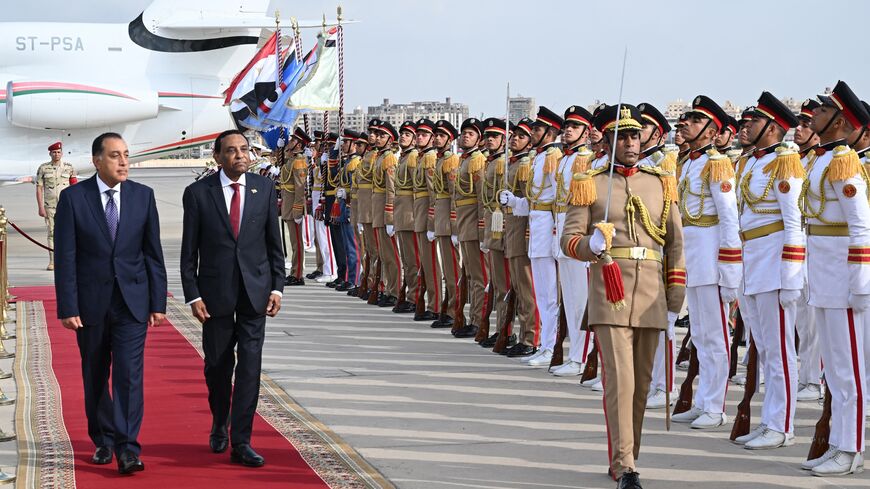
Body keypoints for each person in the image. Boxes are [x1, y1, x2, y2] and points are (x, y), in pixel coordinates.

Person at [560, 104, 684, 489]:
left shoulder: (660, 180)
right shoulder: (590, 182)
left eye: (635, 135)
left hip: (650, 294)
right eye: (622, 136)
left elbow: (676, 244)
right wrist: (590, 246)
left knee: (642, 385)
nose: (631, 142)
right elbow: (568, 240)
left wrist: (675, 300)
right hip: (609, 290)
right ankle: (625, 465)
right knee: (621, 382)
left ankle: (629, 455)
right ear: (608, 141)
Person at [54, 132, 167, 474]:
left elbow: (153, 254)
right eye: (116, 155)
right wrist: (68, 306)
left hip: (132, 301)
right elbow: (66, 257)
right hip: (90, 304)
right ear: (97, 160)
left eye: (126, 155)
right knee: (95, 373)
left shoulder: (143, 197)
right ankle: (103, 439)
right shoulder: (74, 199)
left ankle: (128, 448)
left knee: (129, 376)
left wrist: (157, 301)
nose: (123, 162)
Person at [180, 129, 284, 468]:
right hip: (215, 295)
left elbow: (274, 244)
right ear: (217, 157)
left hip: (256, 294)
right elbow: (188, 253)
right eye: (232, 150)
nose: (240, 155)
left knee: (250, 368)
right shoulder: (197, 194)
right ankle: (219, 420)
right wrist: (193, 294)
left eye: (244, 149)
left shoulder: (264, 188)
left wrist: (277, 287)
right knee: (218, 367)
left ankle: (242, 441)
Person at [801, 81, 870, 475]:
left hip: (844, 278)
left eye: (823, 111)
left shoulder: (844, 161)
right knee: (834, 368)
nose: (813, 116)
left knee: (849, 370)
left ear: (840, 119)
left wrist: (860, 281)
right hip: (824, 274)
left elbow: (861, 225)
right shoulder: (822, 159)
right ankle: (841, 442)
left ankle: (851, 447)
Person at [734, 92, 803, 450]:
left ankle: (782, 424)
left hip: (775, 265)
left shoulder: (785, 163)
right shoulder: (750, 163)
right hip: (752, 262)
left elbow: (794, 224)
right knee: (762, 347)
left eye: (755, 122)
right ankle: (770, 419)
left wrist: (791, 276)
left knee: (779, 351)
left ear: (773, 128)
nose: (747, 126)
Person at [671, 96, 741, 430]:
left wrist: (729, 268)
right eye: (685, 119)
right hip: (692, 258)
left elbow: (729, 219)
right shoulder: (689, 163)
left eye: (695, 120)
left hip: (712, 259)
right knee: (699, 334)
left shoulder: (717, 164)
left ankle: (715, 404)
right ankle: (701, 400)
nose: (685, 124)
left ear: (712, 131)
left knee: (715, 336)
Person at [500, 106, 563, 367]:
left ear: (550, 132)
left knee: (549, 295)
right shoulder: (539, 158)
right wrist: (514, 202)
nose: (532, 133)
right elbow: (534, 202)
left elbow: (560, 199)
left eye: (537, 129)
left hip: (548, 231)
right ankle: (545, 345)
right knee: (541, 293)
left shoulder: (553, 157)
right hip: (536, 229)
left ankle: (547, 344)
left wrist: (558, 231)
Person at [551, 105, 595, 376]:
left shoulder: (585, 159)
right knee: (569, 299)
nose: (568, 130)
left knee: (582, 300)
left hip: (579, 237)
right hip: (562, 232)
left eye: (575, 126)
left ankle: (583, 357)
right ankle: (575, 354)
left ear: (586, 132)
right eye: (566, 126)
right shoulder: (565, 159)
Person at [501, 118, 541, 357]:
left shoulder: (526, 165)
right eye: (514, 136)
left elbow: (530, 202)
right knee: (518, 286)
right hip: (511, 230)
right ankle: (526, 334)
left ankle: (531, 337)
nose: (515, 139)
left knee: (528, 290)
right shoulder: (513, 164)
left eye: (521, 136)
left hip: (523, 232)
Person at [793, 98, 823, 402]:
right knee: (802, 316)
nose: (800, 129)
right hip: (799, 245)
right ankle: (805, 376)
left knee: (813, 319)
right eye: (799, 124)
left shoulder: (821, 161)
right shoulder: (796, 160)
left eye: (806, 124)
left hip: (814, 244)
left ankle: (813, 379)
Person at [451, 117, 488, 339]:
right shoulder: (463, 160)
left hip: (474, 222)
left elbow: (482, 198)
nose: (466, 136)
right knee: (471, 276)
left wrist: (483, 229)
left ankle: (479, 320)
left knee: (479, 277)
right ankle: (473, 318)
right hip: (464, 223)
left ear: (479, 139)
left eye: (471, 133)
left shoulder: (477, 161)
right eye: (464, 132)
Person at [479, 117, 510, 346]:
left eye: (495, 136)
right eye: (488, 136)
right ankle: (499, 328)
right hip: (491, 223)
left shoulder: (502, 164)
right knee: (496, 282)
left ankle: (505, 329)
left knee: (504, 284)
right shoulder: (490, 163)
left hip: (502, 226)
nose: (490, 140)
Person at [429, 120, 461, 328]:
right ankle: (447, 307)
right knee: (447, 271)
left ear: (450, 139)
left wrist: (454, 226)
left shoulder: (450, 161)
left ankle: (453, 311)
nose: (437, 138)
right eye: (436, 135)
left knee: (452, 272)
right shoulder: (439, 161)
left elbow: (455, 196)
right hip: (440, 221)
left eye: (442, 135)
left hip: (449, 222)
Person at [412, 119, 442, 321]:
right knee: (425, 263)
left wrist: (431, 222)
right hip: (418, 213)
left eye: (424, 134)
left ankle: (436, 304)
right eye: (418, 134)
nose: (419, 137)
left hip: (427, 215)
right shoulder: (423, 158)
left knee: (432, 265)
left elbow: (433, 193)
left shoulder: (430, 158)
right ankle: (430, 302)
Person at [393, 121, 421, 313]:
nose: (403, 136)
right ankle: (410, 293)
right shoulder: (403, 158)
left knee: (414, 261)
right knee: (407, 260)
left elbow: (418, 188)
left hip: (411, 215)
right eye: (402, 133)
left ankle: (415, 297)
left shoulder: (412, 158)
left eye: (407, 134)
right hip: (401, 215)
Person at [36, 141, 77, 270]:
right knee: (51, 234)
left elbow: (75, 188)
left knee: (69, 233)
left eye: (58, 152)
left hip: (66, 206)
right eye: (54, 152)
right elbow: (39, 188)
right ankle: (53, 261)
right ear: (50, 153)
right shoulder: (43, 168)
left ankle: (68, 260)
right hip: (50, 206)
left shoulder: (69, 168)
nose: (56, 154)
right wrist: (40, 207)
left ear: (62, 153)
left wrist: (76, 206)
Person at [279, 128, 312, 286]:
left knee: (297, 243)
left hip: (294, 206)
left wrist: (298, 210)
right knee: (294, 242)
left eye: (293, 140)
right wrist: (281, 149)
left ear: (299, 145)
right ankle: (294, 272)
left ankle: (298, 274)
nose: (289, 142)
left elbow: (300, 189)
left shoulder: (299, 162)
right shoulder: (291, 160)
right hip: (288, 204)